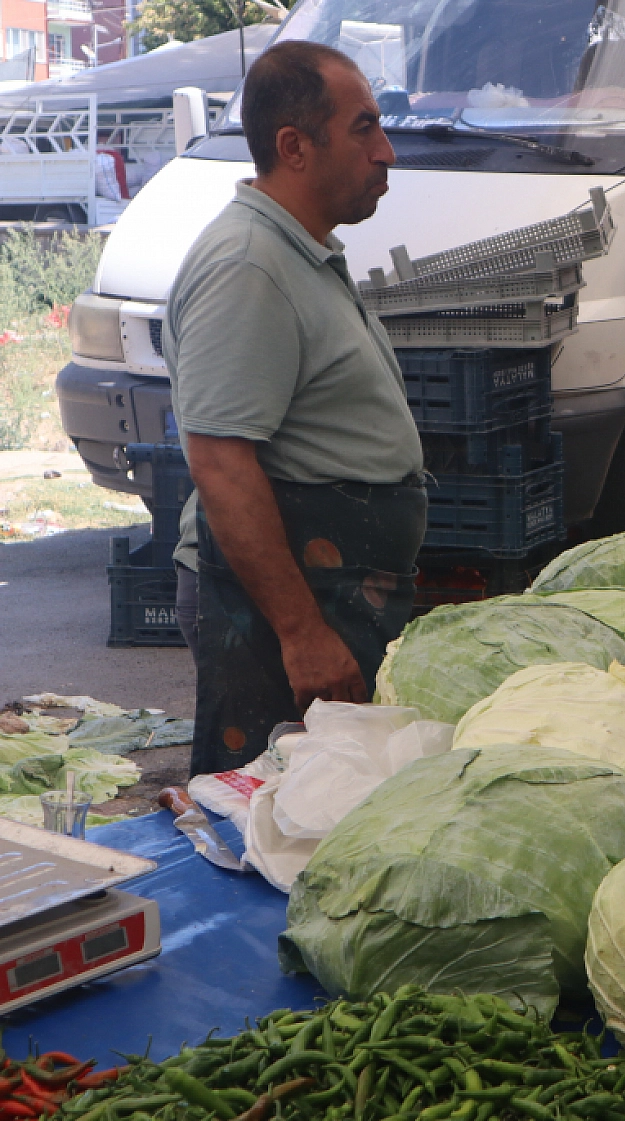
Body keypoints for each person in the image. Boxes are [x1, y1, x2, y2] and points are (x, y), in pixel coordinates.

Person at [165, 40, 423, 777]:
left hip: (336, 590)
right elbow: (219, 461)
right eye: (364, 128)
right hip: (285, 610)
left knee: (325, 812)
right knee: (273, 822)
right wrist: (302, 631)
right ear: (294, 147)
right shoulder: (249, 265)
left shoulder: (297, 250)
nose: (388, 153)